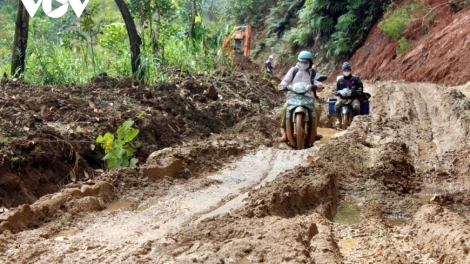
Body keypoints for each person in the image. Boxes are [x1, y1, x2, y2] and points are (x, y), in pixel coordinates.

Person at [278, 51, 323, 142]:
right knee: (284, 109)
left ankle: (314, 130)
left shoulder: (313, 72)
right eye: (301, 62)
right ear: (298, 61)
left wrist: (319, 85)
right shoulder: (293, 70)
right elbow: (286, 80)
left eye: (305, 62)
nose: (303, 64)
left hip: (308, 97)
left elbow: (317, 81)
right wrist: (282, 85)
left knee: (317, 109)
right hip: (293, 96)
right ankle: (285, 133)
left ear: (310, 62)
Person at [334, 62, 364, 127]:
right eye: (345, 70)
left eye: (348, 70)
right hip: (343, 98)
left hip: (353, 98)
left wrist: (359, 90)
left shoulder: (356, 79)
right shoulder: (340, 80)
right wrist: (336, 93)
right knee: (337, 105)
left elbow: (360, 86)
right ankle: (339, 120)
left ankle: (355, 121)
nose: (346, 71)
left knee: (356, 107)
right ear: (342, 71)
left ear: (350, 70)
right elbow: (336, 90)